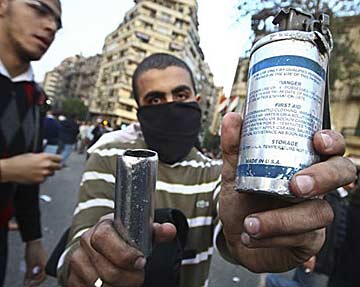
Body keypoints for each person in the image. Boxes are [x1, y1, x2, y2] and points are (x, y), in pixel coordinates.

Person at [56, 53, 356, 287]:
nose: (170, 105)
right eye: (155, 99)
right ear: (140, 110)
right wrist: (92, 264)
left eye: (180, 95)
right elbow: (82, 241)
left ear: (197, 103)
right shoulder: (111, 153)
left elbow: (232, 228)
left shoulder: (213, 172)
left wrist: (259, 233)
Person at [0, 0, 62, 286]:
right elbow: (18, 169)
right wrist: (6, 171)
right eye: (39, 9)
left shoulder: (33, 97)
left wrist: (33, 240)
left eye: (57, 23)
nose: (50, 26)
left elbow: (27, 179)